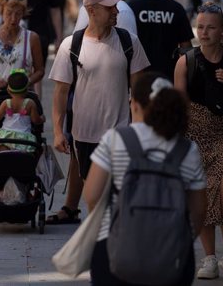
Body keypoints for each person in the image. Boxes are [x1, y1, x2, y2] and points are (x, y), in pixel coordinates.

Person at [84, 72, 206, 286]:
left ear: (135, 105)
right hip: (173, 257)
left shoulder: (115, 139)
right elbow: (198, 211)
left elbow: (92, 195)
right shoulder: (188, 150)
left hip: (114, 251)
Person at [48, 0, 149, 224]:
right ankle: (104, 248)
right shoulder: (71, 46)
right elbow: (60, 93)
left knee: (117, 195)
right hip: (84, 136)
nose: (116, 10)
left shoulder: (129, 41)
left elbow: (140, 91)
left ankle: (114, 246)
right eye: (110, 7)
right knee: (96, 200)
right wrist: (58, 131)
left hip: (120, 134)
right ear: (92, 10)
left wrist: (141, 129)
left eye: (115, 5)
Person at [174, 3, 223, 279]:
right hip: (196, 137)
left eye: (211, 27)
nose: (204, 32)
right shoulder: (187, 61)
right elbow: (179, 106)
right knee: (204, 196)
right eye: (201, 26)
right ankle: (209, 258)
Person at [129, 0, 193, 80]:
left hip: (139, 77)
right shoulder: (176, 8)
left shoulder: (132, 8)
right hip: (169, 75)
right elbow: (186, 47)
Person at [0, 70, 43, 153]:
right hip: (24, 138)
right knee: (24, 154)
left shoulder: (6, 103)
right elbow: (36, 120)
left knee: (2, 147)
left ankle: (4, 154)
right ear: (27, 90)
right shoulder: (30, 103)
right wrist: (42, 118)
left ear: (8, 90)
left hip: (6, 136)